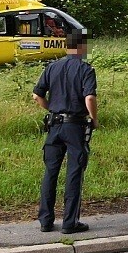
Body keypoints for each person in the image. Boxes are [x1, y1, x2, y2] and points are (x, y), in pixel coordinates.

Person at [32, 30, 98, 234]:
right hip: (75, 126)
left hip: (54, 126)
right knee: (74, 172)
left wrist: (52, 108)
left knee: (50, 172)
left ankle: (46, 221)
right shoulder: (86, 69)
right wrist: (94, 119)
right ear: (82, 47)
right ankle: (70, 222)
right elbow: (89, 98)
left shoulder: (52, 67)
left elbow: (36, 95)